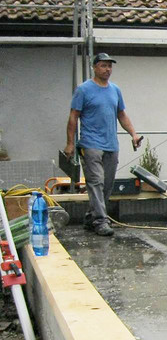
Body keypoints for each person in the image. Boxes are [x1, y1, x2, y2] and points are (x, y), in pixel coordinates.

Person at [64, 53, 143, 237]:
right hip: (90, 143)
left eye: (109, 66)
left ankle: (91, 217)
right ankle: (101, 221)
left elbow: (121, 114)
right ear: (94, 67)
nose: (107, 69)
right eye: (103, 65)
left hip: (111, 144)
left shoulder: (115, 90)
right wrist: (70, 143)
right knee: (96, 182)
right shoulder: (84, 90)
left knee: (107, 185)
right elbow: (73, 116)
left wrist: (133, 134)